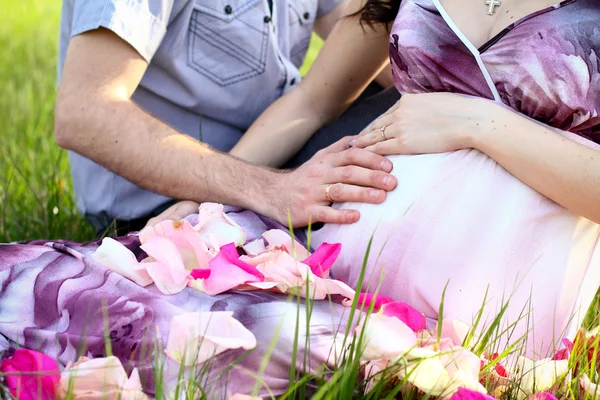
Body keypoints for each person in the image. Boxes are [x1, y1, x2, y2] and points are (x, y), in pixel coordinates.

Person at [2, 0, 600, 397]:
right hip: (323, 251)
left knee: (236, 340)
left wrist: (477, 122)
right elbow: (313, 101)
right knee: (65, 290)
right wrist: (198, 199)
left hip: (478, 304)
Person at [54, 0, 400, 235]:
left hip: (272, 156)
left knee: (400, 107)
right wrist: (269, 190)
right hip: (164, 209)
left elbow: (364, 48)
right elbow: (84, 113)